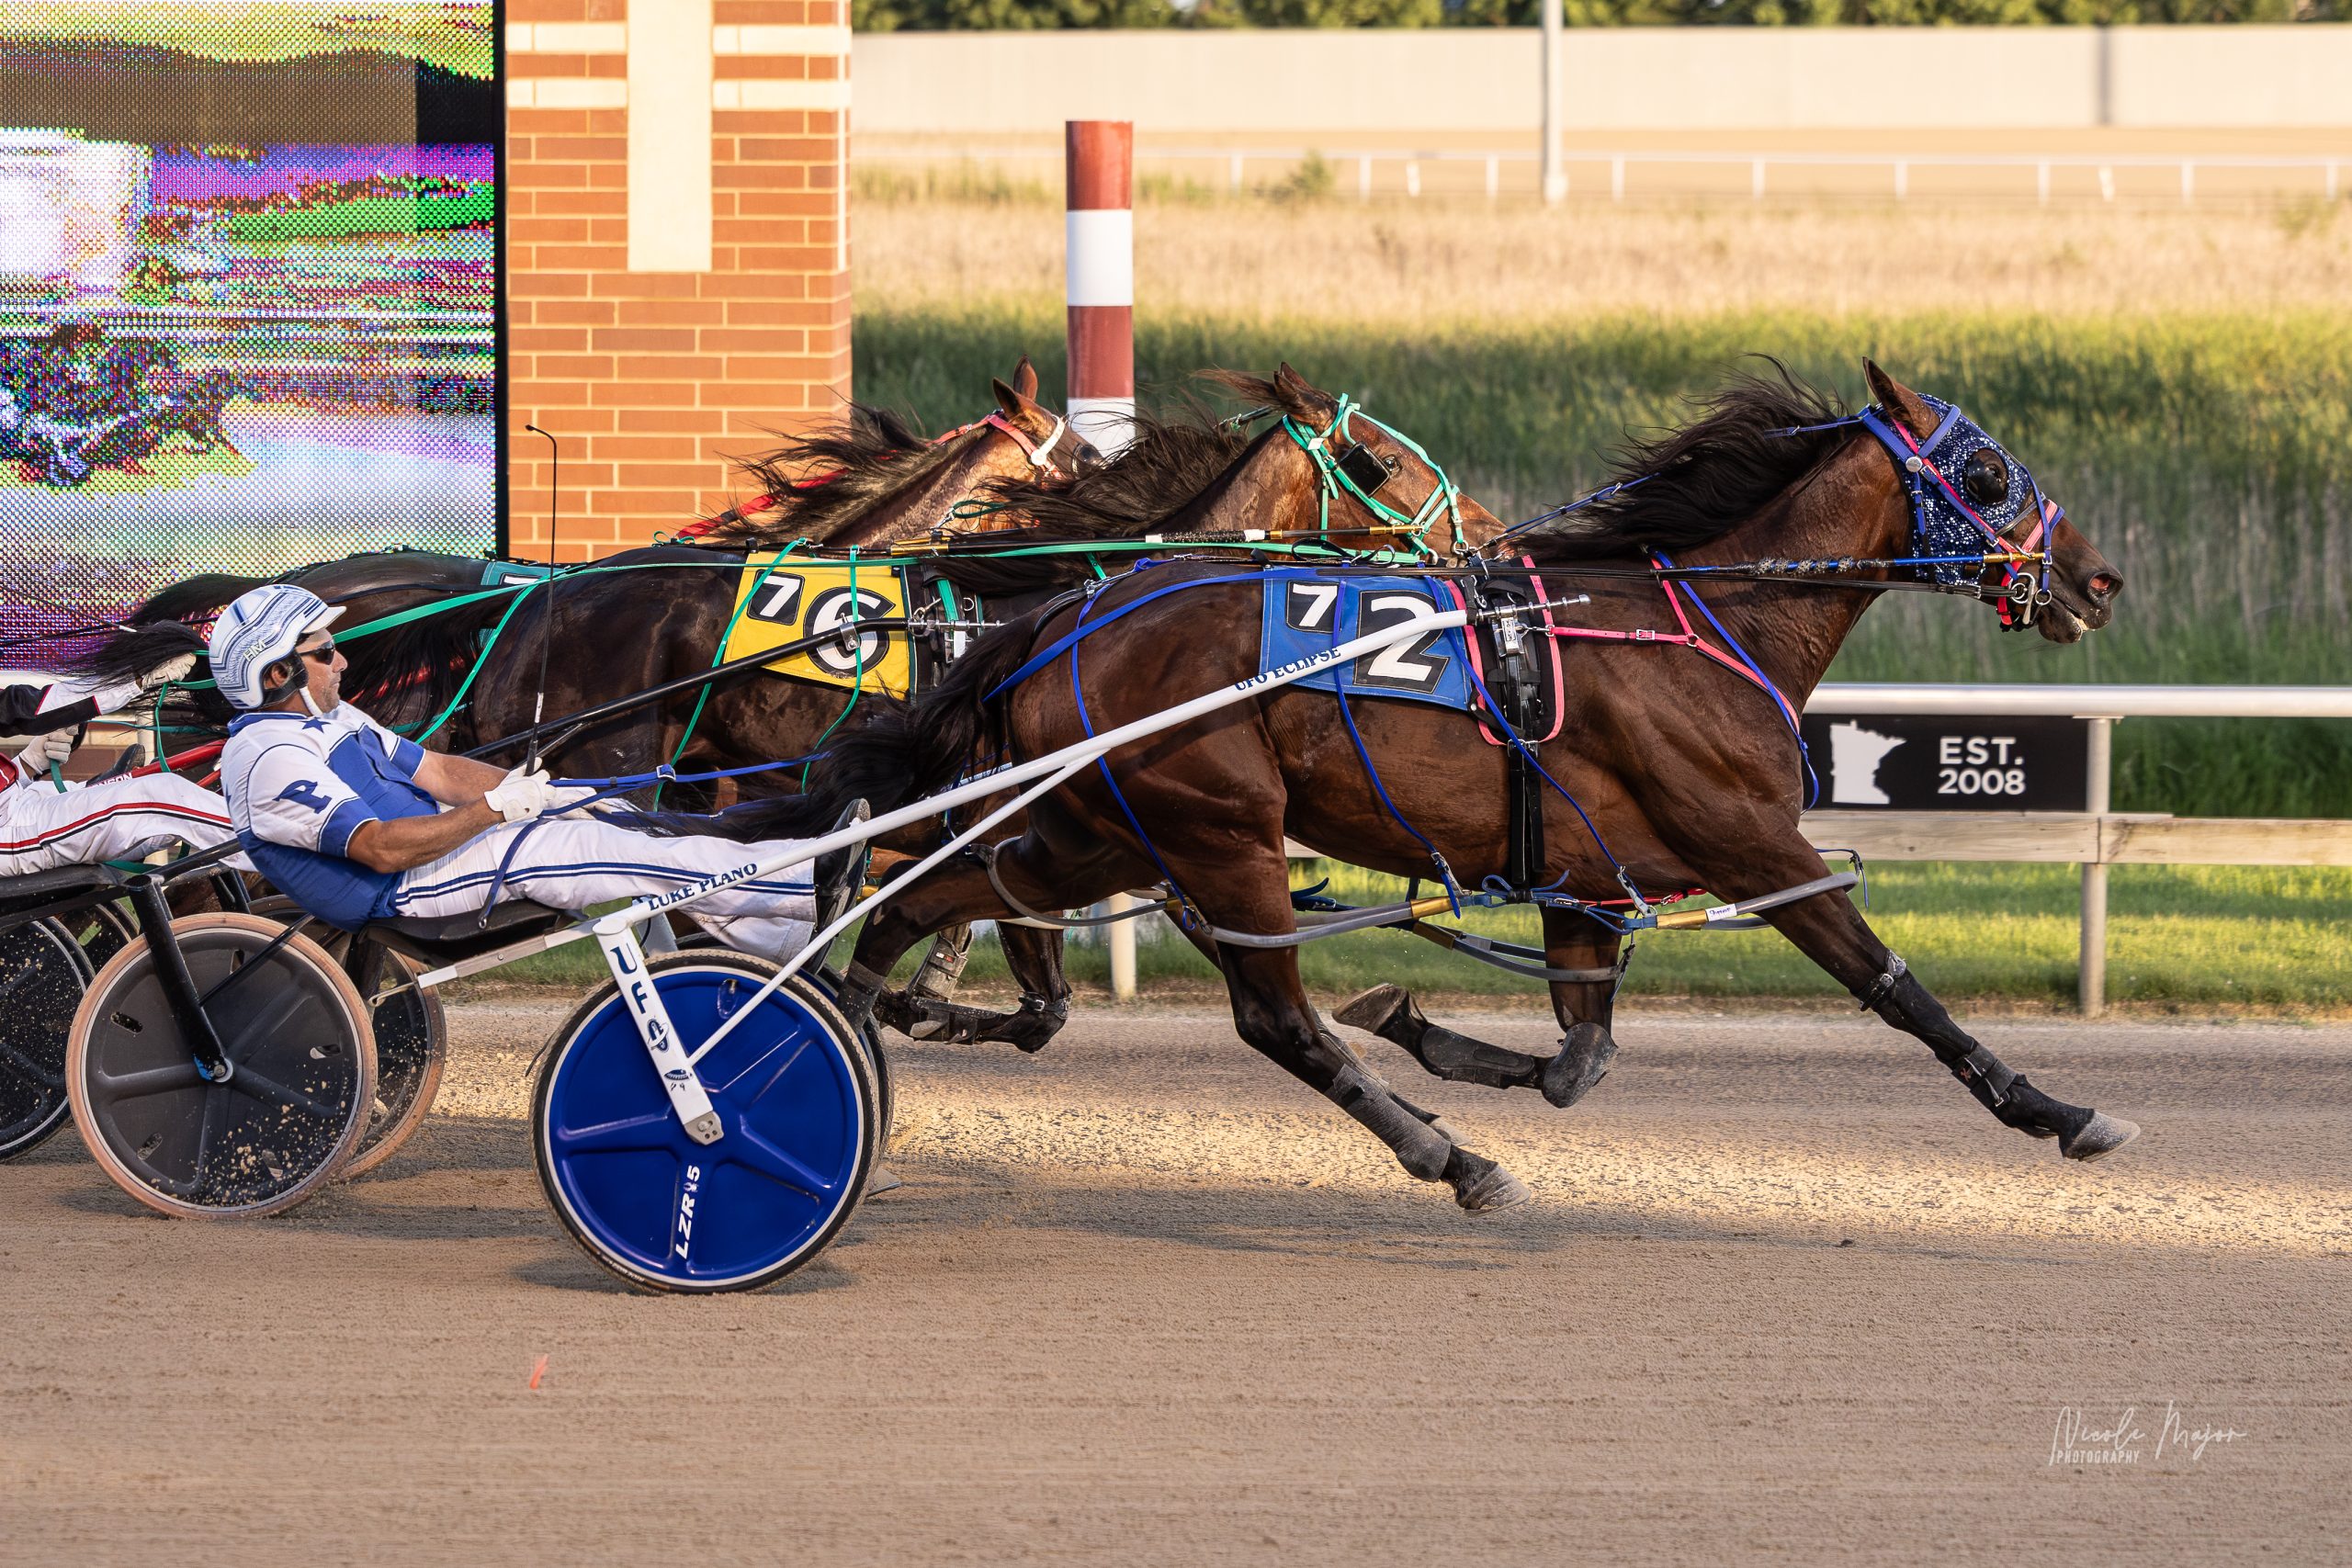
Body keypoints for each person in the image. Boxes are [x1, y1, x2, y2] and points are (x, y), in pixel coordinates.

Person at [209, 582, 864, 953]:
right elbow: (380, 849)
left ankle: (778, 934)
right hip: (409, 887)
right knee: (594, 848)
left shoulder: (330, 719)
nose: (343, 661)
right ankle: (802, 883)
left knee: (617, 817)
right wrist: (494, 812)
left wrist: (539, 790)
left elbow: (437, 770)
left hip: (444, 853)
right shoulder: (271, 759)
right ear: (278, 673)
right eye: (325, 652)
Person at [0, 642, 236, 877]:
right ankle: (257, 837)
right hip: (11, 827)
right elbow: (23, 707)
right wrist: (135, 679)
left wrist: (28, 764)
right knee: (160, 796)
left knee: (157, 826)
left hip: (17, 806)